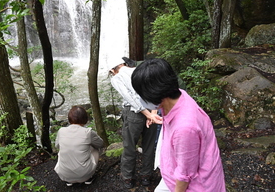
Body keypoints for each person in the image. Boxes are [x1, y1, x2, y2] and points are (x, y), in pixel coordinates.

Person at [131, 58, 226, 192]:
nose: (141, 98)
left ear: (154, 93)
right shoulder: (179, 96)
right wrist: (155, 114)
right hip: (172, 176)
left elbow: (184, 175)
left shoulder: (185, 128)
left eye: (142, 94)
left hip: (195, 187)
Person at [109, 57, 162, 189]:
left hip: (135, 114)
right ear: (124, 64)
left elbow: (130, 98)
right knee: (149, 145)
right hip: (151, 109)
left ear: (112, 69)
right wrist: (153, 113)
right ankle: (146, 176)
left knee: (129, 146)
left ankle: (128, 178)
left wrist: (147, 114)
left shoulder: (116, 78)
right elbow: (155, 89)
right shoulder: (140, 69)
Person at [54, 106, 104, 186]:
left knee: (62, 150)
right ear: (85, 118)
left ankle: (69, 180)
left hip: (64, 175)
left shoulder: (61, 131)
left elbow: (57, 146)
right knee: (94, 148)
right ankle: (89, 178)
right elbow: (100, 144)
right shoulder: (88, 132)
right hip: (84, 174)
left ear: (69, 118)